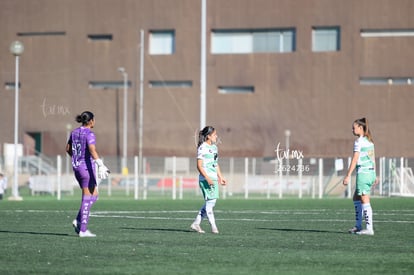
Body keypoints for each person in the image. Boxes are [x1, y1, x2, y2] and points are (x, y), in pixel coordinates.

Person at [66, 111, 110, 237]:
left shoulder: (74, 132)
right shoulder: (90, 133)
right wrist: (100, 165)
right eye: (94, 119)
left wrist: (77, 159)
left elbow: (67, 149)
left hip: (77, 168)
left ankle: (78, 220)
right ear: (91, 121)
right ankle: (83, 230)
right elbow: (92, 149)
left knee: (94, 195)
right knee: (87, 196)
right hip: (86, 168)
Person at [343, 118, 377, 235]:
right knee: (356, 198)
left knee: (364, 199)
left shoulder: (359, 142)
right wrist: (375, 175)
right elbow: (372, 160)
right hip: (370, 173)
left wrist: (347, 175)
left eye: (354, 127)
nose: (352, 129)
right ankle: (358, 226)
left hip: (363, 174)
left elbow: (355, 160)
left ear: (360, 128)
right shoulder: (370, 141)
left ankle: (369, 228)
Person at [190, 126, 227, 234]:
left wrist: (220, 177)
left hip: (213, 178)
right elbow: (199, 166)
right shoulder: (202, 148)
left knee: (211, 202)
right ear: (208, 136)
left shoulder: (215, 148)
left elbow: (215, 164)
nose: (216, 136)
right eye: (214, 135)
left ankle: (196, 223)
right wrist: (207, 178)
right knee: (210, 203)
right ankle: (214, 227)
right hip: (205, 178)